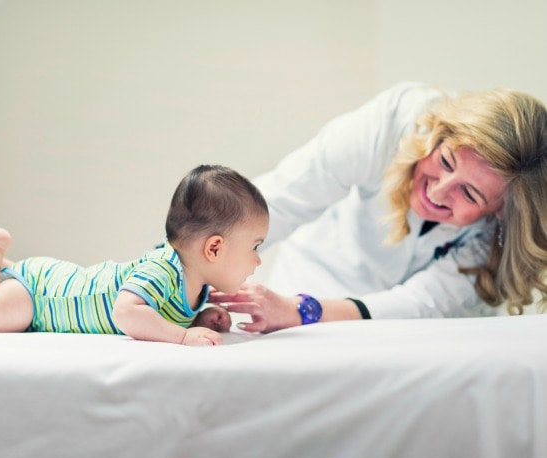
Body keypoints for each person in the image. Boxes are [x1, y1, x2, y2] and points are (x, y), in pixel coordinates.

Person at [208, 81, 547, 332]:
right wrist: (186, 268)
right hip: (315, 278)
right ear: (440, 134)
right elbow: (280, 199)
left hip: (412, 330)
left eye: (470, 194)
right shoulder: (396, 122)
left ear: (500, 212)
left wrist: (302, 310)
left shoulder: (500, 238)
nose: (439, 191)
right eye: (445, 160)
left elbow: (421, 304)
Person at [0, 165, 269, 346]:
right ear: (213, 248)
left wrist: (198, 318)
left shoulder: (195, 284)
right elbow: (126, 312)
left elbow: (159, 312)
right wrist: (183, 336)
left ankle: (3, 267)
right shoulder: (163, 270)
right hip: (42, 298)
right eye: (255, 247)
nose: (258, 261)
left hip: (58, 281)